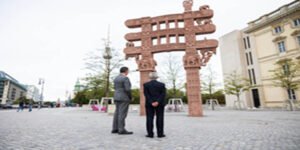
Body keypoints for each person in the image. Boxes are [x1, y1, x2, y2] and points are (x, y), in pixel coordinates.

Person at [143, 72, 166, 138]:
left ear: (149, 77)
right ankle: (160, 134)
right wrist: (158, 102)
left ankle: (150, 134)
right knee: (160, 118)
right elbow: (163, 94)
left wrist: (151, 102)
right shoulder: (161, 85)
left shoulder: (146, 85)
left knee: (149, 118)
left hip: (149, 104)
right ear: (157, 77)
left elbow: (146, 94)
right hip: (160, 104)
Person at [112, 67, 133, 135]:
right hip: (124, 97)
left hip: (116, 96)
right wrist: (130, 97)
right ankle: (121, 129)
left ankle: (115, 128)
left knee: (117, 113)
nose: (128, 72)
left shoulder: (116, 78)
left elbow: (115, 87)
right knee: (122, 113)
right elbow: (127, 89)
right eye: (128, 71)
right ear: (126, 71)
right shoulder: (125, 78)